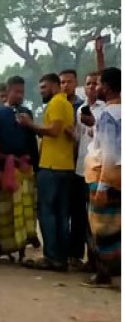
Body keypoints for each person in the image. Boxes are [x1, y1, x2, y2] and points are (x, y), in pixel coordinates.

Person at [20, 73, 75, 272]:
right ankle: (60, 257)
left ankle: (53, 257)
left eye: (44, 87)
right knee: (60, 215)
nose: (42, 91)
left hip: (52, 167)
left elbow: (54, 130)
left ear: (53, 86)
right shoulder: (67, 104)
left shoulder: (57, 104)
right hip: (64, 166)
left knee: (48, 213)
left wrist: (29, 124)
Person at [0, 76, 40, 260]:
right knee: (7, 210)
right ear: (8, 91)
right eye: (16, 92)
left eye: (22, 92)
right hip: (6, 169)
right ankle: (6, 248)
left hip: (25, 168)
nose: (20, 95)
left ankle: (22, 249)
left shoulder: (26, 113)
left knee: (25, 210)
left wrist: (35, 165)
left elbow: (31, 142)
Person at [82, 67, 120, 287]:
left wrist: (102, 187)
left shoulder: (108, 115)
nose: (95, 88)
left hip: (104, 174)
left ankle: (104, 273)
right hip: (119, 177)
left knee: (101, 228)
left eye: (98, 84)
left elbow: (109, 154)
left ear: (105, 87)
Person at [70, 72, 105, 270]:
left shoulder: (105, 110)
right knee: (79, 215)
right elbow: (77, 139)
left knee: (96, 218)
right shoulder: (80, 110)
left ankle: (97, 260)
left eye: (95, 84)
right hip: (80, 168)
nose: (92, 87)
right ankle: (79, 256)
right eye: (88, 84)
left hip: (99, 169)